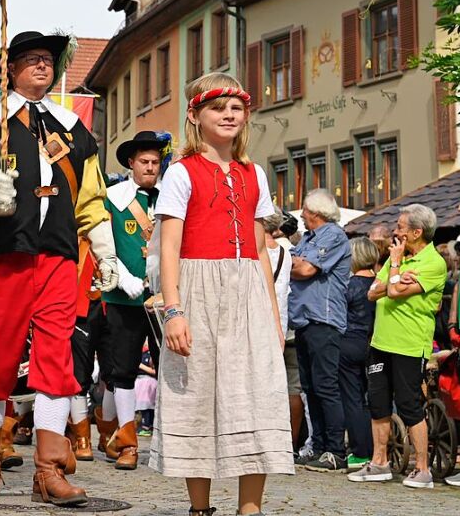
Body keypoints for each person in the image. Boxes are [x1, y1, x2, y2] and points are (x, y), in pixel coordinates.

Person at [0, 30, 135, 505]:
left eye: (47, 59)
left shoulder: (72, 128)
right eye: (30, 59)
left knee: (56, 361)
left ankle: (49, 470)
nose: (43, 66)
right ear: (10, 71)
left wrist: (105, 252)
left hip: (58, 257)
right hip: (0, 256)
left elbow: (92, 197)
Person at [151, 73, 292, 516]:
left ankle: (250, 509)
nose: (229, 114)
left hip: (247, 288)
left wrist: (273, 315)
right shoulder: (181, 172)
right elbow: (168, 246)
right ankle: (200, 509)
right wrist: (173, 309)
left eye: (236, 107)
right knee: (198, 395)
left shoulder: (255, 173)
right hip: (197, 287)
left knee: (258, 394)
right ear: (195, 115)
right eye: (217, 107)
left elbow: (259, 249)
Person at [348, 204, 447, 489]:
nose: (396, 231)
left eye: (401, 227)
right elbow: (372, 292)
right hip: (381, 342)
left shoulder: (433, 263)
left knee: (409, 405)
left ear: (417, 232)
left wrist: (393, 270)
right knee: (377, 403)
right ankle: (380, 463)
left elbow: (389, 290)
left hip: (409, 344)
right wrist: (395, 276)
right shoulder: (399, 257)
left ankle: (423, 469)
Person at [97, 131, 166, 471]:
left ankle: (169, 441)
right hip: (124, 299)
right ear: (130, 164)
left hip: (164, 299)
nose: (150, 167)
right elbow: (103, 244)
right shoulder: (113, 198)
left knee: (168, 370)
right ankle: (127, 443)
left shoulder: (170, 197)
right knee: (122, 371)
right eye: (144, 162)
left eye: (155, 162)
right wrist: (123, 278)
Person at [289, 189, 352, 472]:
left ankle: (335, 450)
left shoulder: (333, 235)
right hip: (303, 320)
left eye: (303, 209)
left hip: (323, 320)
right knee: (311, 387)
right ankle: (318, 445)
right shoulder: (307, 238)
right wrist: (296, 263)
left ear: (315, 212)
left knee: (326, 386)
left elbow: (305, 270)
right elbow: (293, 264)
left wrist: (296, 263)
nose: (301, 214)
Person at [261, 213, 301, 453]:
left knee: (263, 387)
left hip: (259, 324)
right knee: (291, 389)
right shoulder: (286, 253)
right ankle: (290, 444)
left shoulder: (251, 251)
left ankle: (264, 441)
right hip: (284, 327)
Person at [340, 237, 377, 470]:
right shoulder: (379, 285)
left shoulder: (349, 287)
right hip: (374, 344)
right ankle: (376, 448)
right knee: (371, 399)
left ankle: (360, 451)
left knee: (352, 399)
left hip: (350, 343)